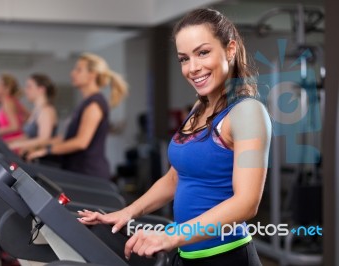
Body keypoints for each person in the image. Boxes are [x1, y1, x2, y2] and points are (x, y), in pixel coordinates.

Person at [78, 8, 271, 266]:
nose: (193, 68)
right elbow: (174, 177)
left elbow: (247, 203)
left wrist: (172, 236)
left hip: (227, 257)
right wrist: (126, 213)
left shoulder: (247, 112)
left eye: (203, 53)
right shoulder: (198, 108)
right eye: (183, 58)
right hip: (186, 254)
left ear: (230, 49)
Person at [27, 53, 128, 179]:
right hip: (76, 169)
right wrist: (39, 146)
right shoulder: (85, 103)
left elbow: (81, 142)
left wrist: (47, 151)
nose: (72, 73)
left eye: (78, 70)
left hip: (89, 173)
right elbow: (65, 137)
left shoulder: (94, 104)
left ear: (92, 74)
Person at [8, 73, 58, 155]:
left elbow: (44, 140)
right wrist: (8, 142)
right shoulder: (36, 111)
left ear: (41, 89)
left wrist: (16, 145)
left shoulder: (46, 111)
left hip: (42, 160)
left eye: (29, 87)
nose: (26, 90)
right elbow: (28, 137)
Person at [0, 74, 29, 142]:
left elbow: (15, 126)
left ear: (7, 88)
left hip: (13, 141)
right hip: (14, 140)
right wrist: (21, 120)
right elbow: (29, 116)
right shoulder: (13, 100)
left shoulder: (8, 102)